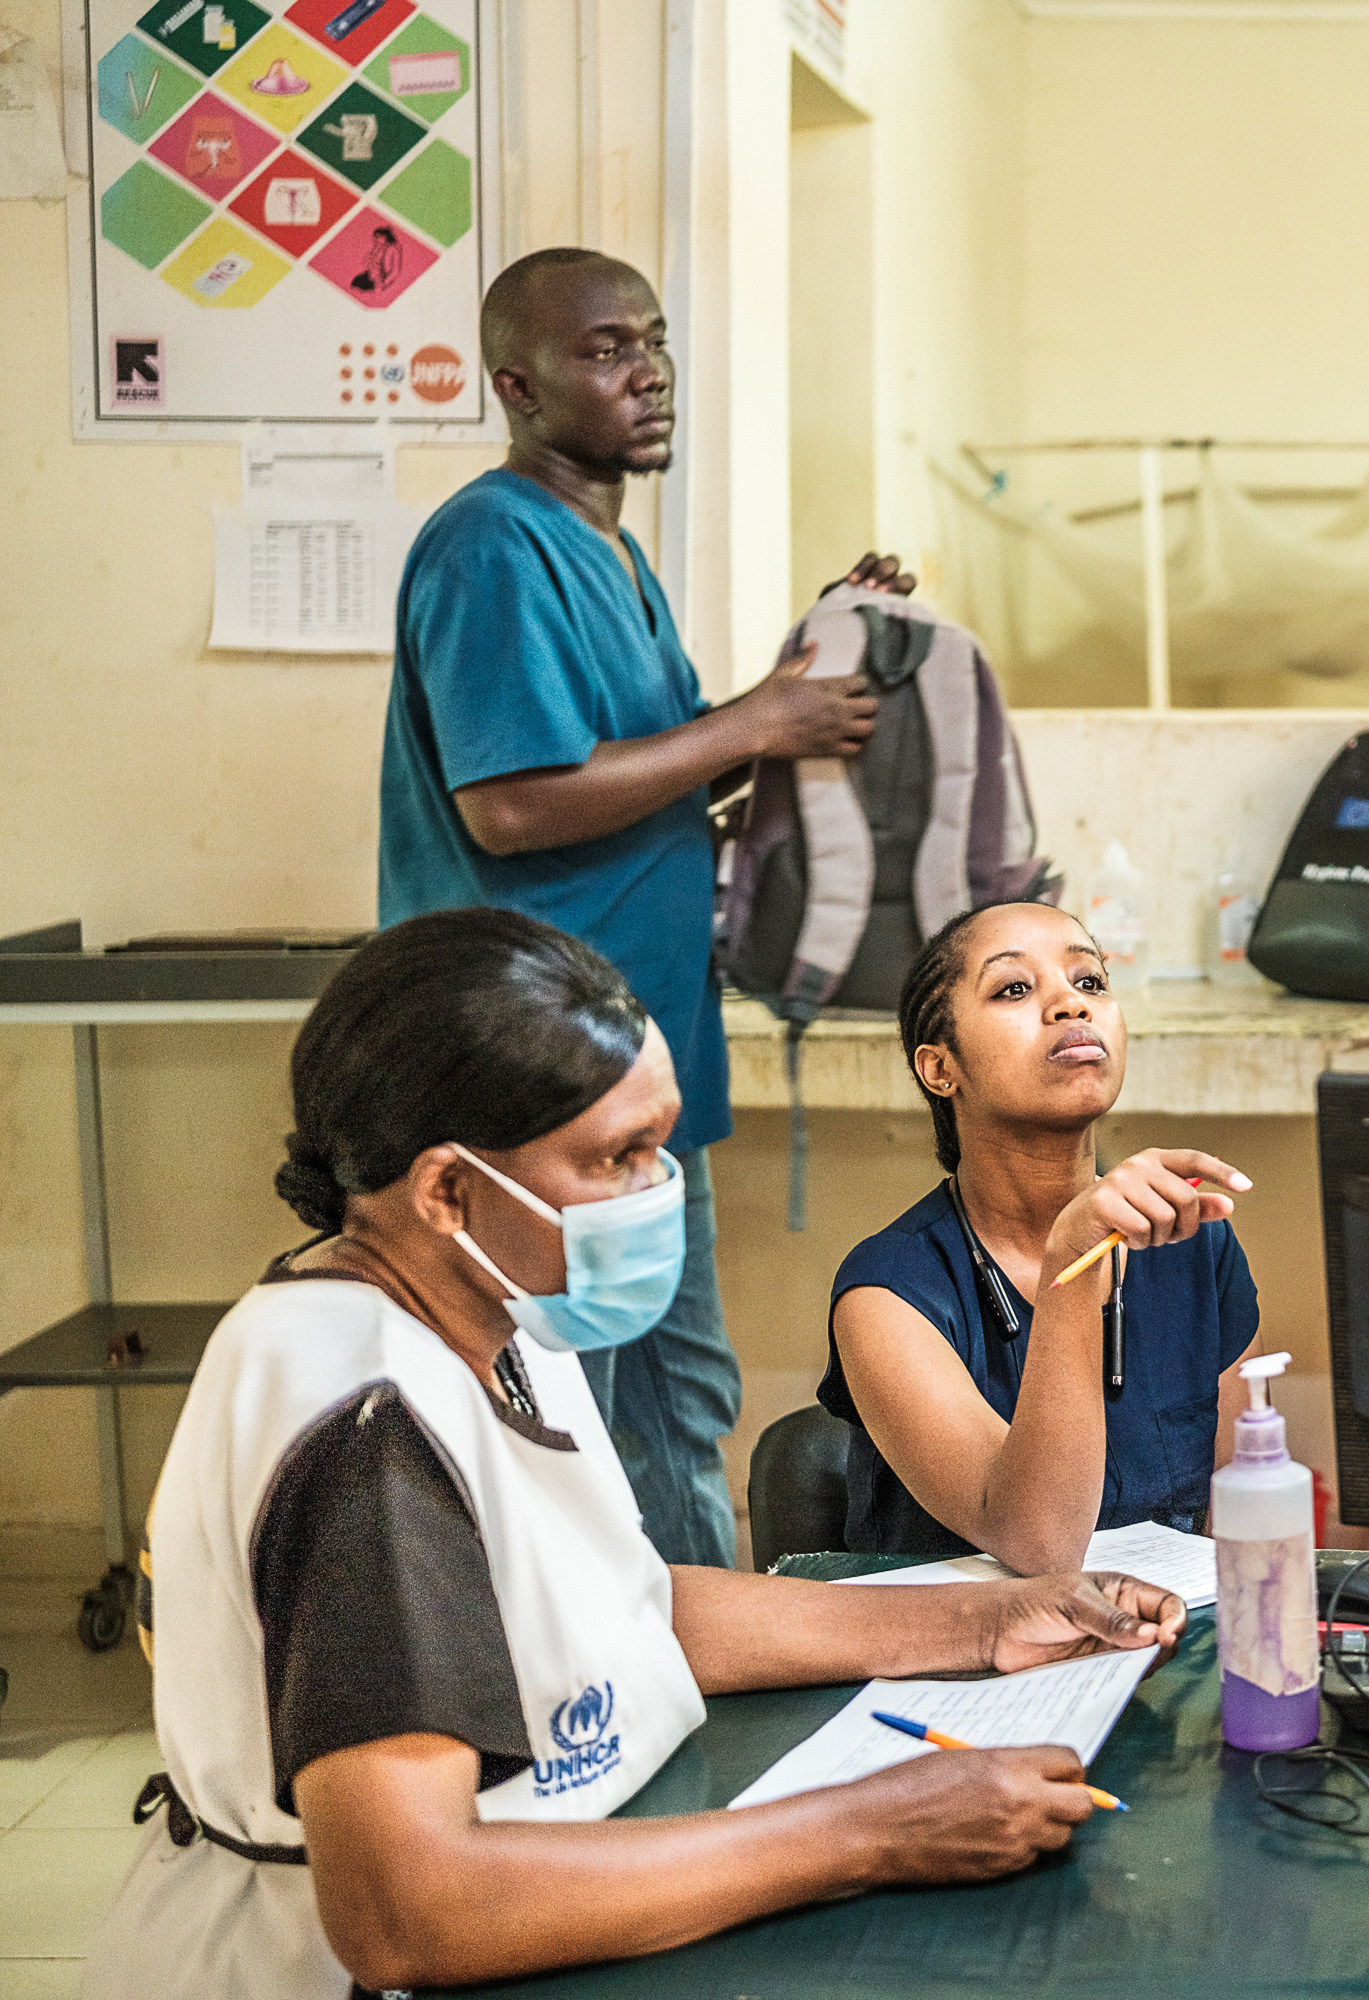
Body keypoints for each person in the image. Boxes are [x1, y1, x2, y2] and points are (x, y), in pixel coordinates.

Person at [80, 910, 1186, 1998]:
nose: (657, 1192)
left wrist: (992, 1618)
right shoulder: (365, 1418)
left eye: (660, 1143)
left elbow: (627, 1608)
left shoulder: (498, 1307)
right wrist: (877, 1825)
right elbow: (409, 1910)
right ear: (448, 1188)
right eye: (618, 1157)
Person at [379, 243, 917, 1567]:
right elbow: (511, 803)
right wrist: (757, 719)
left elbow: (650, 787)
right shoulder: (493, 547)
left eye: (654, 341)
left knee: (678, 1404)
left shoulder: (614, 558)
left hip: (636, 1062)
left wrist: (802, 682)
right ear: (517, 383)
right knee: (581, 1415)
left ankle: (703, 1673)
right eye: (604, 350)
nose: (648, 372)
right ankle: (608, 1705)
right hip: (531, 1077)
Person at [821, 901, 1261, 1568]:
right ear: (941, 1068)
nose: (1070, 1005)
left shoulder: (1197, 1243)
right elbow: (1039, 1545)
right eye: (1015, 989)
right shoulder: (887, 1293)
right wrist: (1075, 1262)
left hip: (1166, 1642)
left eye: (1089, 983)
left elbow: (1241, 1528)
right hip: (968, 1660)